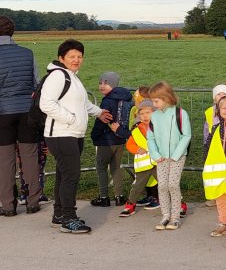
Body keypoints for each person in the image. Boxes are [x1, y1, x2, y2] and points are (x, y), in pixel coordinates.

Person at [40, 39, 112, 233]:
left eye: (79, 56)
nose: (76, 60)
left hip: (73, 134)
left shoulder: (72, 77)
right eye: (72, 56)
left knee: (64, 175)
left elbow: (82, 103)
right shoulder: (58, 76)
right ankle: (69, 219)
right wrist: (70, 119)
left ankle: (59, 215)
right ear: (61, 57)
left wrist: (99, 112)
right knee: (71, 175)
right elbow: (46, 104)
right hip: (61, 134)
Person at [0, 15, 42, 216]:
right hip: (26, 111)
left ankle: (8, 205)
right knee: (30, 157)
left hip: (3, 113)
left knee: (5, 161)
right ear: (12, 32)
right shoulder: (27, 53)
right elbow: (37, 84)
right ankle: (33, 201)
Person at [147, 81, 191, 231]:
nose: (154, 104)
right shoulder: (154, 116)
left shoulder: (180, 113)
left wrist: (176, 154)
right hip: (161, 157)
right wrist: (156, 154)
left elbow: (186, 135)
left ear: (166, 97)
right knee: (162, 186)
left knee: (172, 184)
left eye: (156, 101)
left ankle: (175, 216)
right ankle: (165, 215)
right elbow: (150, 137)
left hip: (176, 157)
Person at [90, 71, 133, 207]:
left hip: (105, 140)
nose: (102, 86)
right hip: (120, 138)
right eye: (100, 83)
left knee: (101, 167)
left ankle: (104, 196)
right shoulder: (125, 98)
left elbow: (102, 120)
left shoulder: (107, 101)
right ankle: (119, 196)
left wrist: (94, 135)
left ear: (113, 85)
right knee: (116, 168)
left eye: (106, 83)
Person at [202, 95, 226, 238]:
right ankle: (222, 222)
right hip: (218, 170)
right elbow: (208, 146)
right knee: (220, 196)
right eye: (223, 108)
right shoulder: (216, 127)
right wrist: (206, 162)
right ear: (218, 110)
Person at [119, 99, 160, 217]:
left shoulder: (160, 127)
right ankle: (130, 205)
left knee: (167, 185)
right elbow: (129, 144)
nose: (144, 116)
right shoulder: (136, 130)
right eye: (141, 114)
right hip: (143, 165)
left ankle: (179, 205)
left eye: (148, 112)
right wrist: (137, 149)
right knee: (137, 186)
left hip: (158, 162)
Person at [203, 84, 226, 208]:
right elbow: (206, 128)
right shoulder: (210, 112)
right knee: (212, 172)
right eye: (219, 94)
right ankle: (213, 196)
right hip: (212, 145)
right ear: (214, 98)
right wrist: (206, 144)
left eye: (224, 94)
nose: (221, 96)